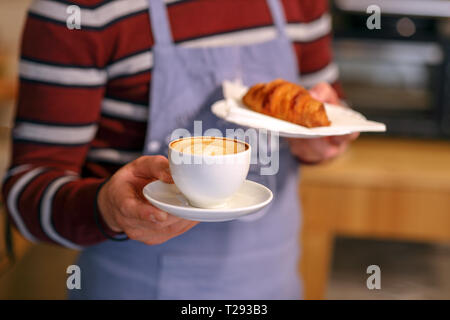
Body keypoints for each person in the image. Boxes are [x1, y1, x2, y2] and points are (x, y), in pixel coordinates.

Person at [2, 0, 358, 299]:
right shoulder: (77, 11)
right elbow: (25, 190)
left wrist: (320, 143)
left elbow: (321, 116)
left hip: (272, 286)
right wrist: (107, 209)